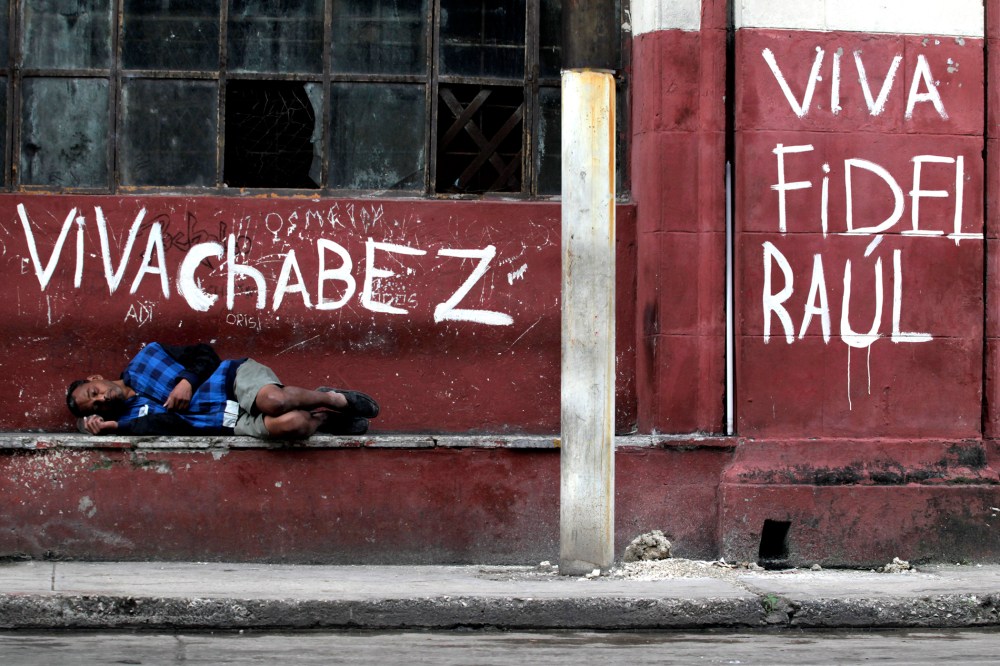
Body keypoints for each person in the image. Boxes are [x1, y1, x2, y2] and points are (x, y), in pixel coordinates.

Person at [65, 342, 379, 439]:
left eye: (94, 392)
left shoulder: (147, 357)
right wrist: (105, 427)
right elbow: (170, 424)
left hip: (233, 379)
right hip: (226, 421)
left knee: (275, 401)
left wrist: (187, 381)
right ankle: (325, 420)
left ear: (97, 378)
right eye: (95, 407)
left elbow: (206, 354)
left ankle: (331, 398)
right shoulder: (130, 419)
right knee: (293, 423)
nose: (102, 400)